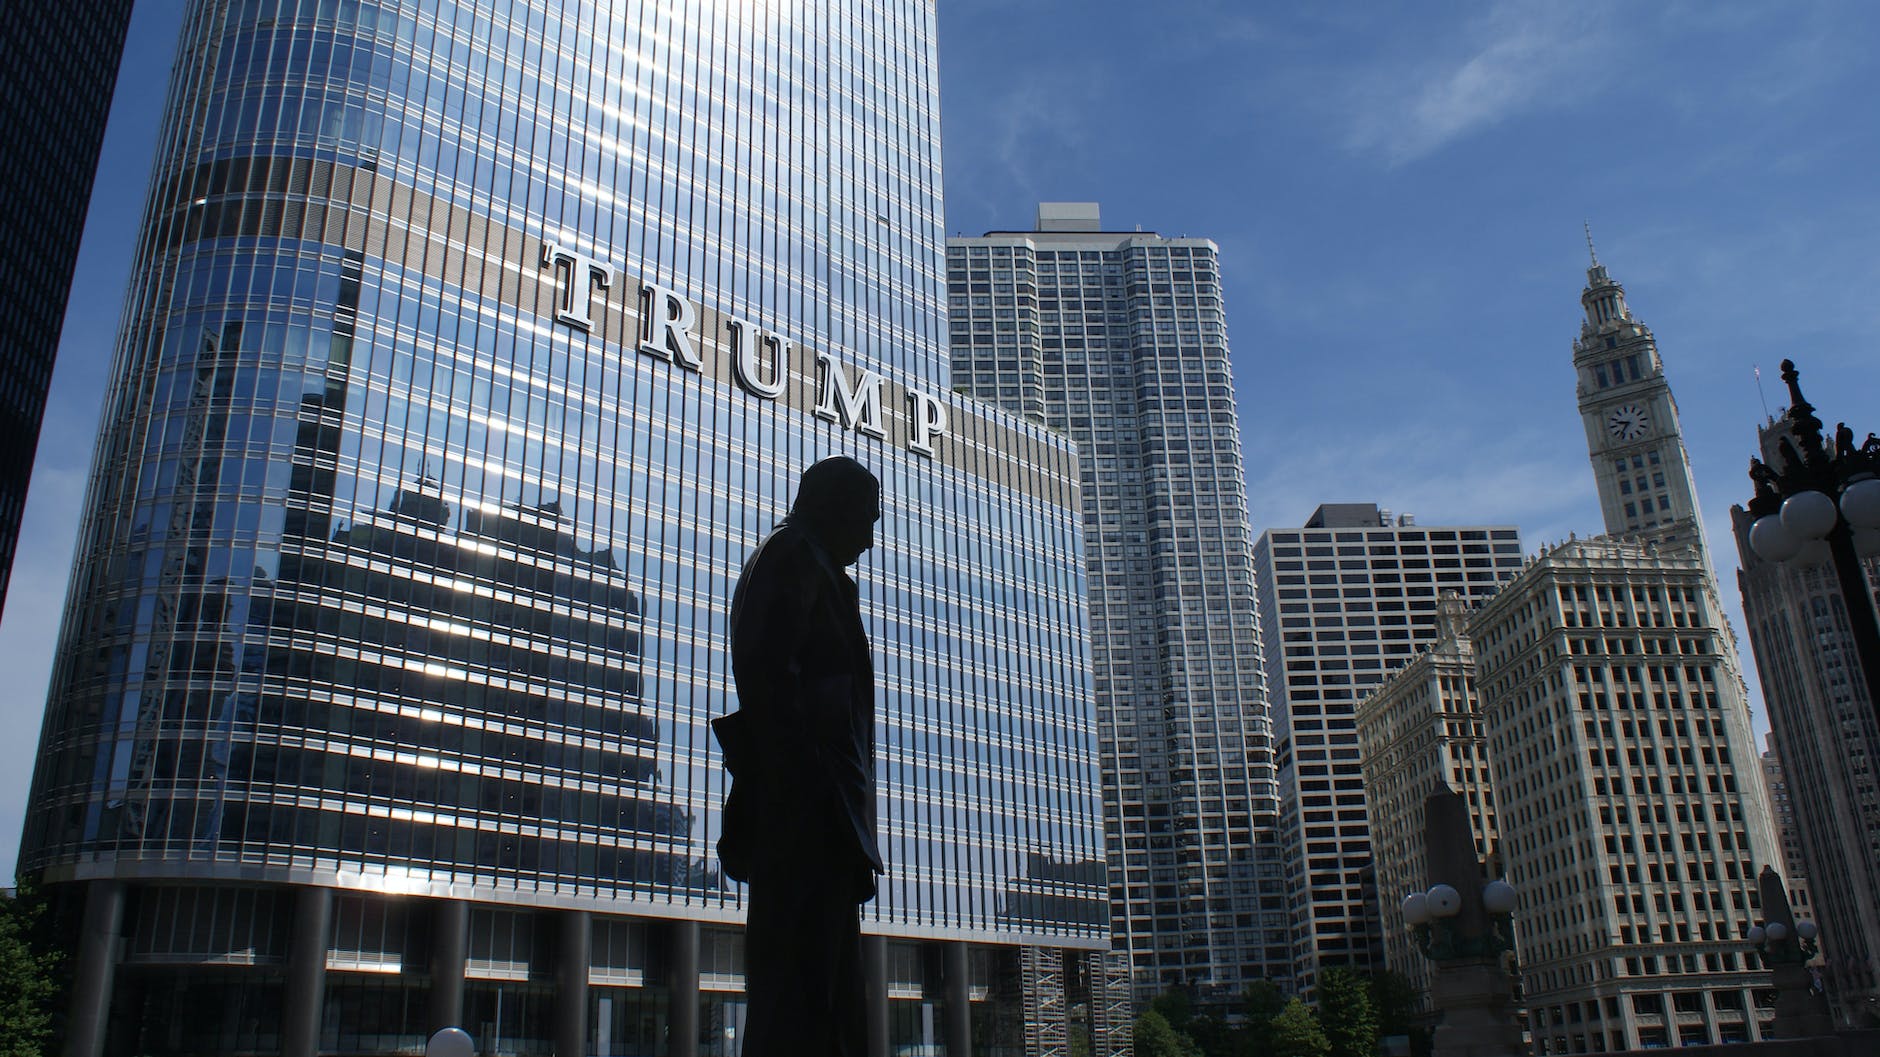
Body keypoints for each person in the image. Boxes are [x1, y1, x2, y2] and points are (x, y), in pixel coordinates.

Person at [716, 456, 883, 1057]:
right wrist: (809, 788)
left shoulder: (818, 568)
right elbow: (767, 677)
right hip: (806, 813)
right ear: (830, 508)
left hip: (826, 817)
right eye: (865, 520)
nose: (868, 538)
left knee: (830, 995)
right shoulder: (792, 558)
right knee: (802, 992)